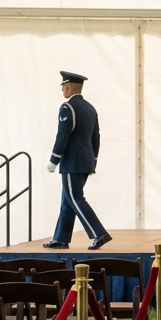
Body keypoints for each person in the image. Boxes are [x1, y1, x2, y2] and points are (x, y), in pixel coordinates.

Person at [45, 71, 110, 250]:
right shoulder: (90, 108)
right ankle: (61, 238)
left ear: (68, 87)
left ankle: (99, 233)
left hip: (72, 162)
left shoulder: (68, 107)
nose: (62, 91)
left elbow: (63, 136)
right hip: (86, 161)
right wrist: (93, 159)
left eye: (63, 87)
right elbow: (95, 137)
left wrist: (54, 159)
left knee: (75, 198)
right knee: (68, 199)